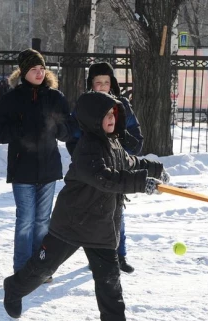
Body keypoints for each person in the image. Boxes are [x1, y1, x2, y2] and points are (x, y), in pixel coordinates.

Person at [2, 91, 170, 321]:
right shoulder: (87, 149)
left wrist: (154, 169)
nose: (111, 118)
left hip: (102, 225)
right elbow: (106, 178)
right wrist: (141, 183)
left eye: (114, 113)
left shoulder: (113, 143)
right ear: (93, 119)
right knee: (43, 269)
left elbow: (129, 162)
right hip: (71, 223)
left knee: (109, 283)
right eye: (105, 114)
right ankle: (14, 287)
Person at [0, 49, 71, 275]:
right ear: (23, 72)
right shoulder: (11, 99)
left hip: (49, 168)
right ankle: (22, 270)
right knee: (25, 221)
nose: (39, 73)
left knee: (43, 221)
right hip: (21, 169)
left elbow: (70, 129)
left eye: (42, 69)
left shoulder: (55, 97)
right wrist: (20, 129)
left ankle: (41, 269)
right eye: (34, 69)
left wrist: (57, 128)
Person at [67, 62, 144, 274]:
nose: (102, 86)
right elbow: (72, 139)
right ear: (91, 84)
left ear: (112, 84)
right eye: (98, 82)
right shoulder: (83, 107)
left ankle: (119, 255)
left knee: (117, 213)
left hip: (118, 170)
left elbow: (137, 142)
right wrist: (84, 159)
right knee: (92, 215)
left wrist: (120, 136)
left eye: (106, 82)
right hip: (92, 171)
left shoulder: (122, 107)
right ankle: (97, 256)